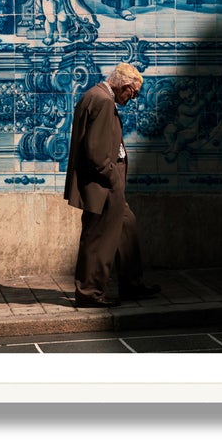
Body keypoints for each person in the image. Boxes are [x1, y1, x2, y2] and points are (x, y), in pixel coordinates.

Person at [63, 63, 160, 308]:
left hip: (106, 181)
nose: (132, 98)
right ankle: (89, 292)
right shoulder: (104, 101)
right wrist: (111, 175)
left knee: (126, 225)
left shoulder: (95, 95)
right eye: (133, 93)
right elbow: (96, 152)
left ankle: (132, 284)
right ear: (124, 86)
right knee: (99, 237)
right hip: (104, 183)